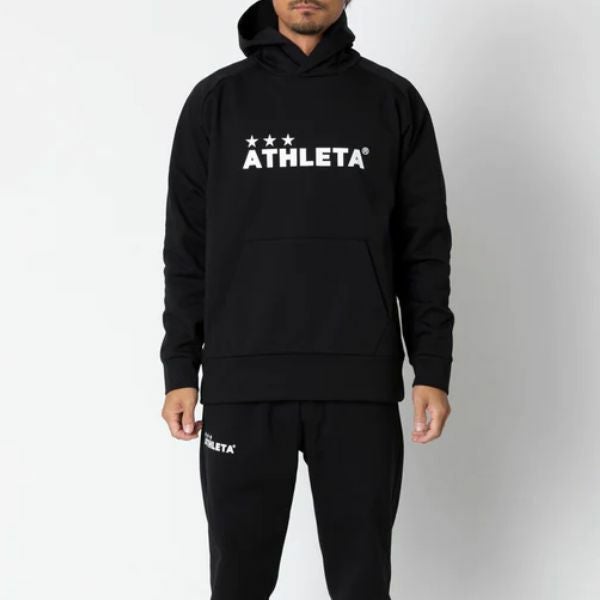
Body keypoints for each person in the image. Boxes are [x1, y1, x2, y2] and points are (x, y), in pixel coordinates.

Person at [159, 0, 454, 598]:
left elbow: (423, 248)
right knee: (237, 584)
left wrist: (432, 367)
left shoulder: (392, 101)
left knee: (362, 584)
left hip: (358, 384)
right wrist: (179, 367)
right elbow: (187, 248)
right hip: (243, 383)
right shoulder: (216, 102)